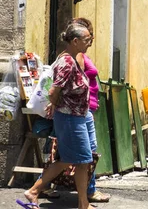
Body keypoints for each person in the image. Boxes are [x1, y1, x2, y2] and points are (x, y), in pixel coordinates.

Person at [22, 23, 94, 209]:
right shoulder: (67, 62)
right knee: (81, 160)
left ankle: (35, 192)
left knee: (74, 159)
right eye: (87, 40)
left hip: (75, 116)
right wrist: (54, 105)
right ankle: (81, 204)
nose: (89, 43)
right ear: (75, 41)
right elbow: (54, 90)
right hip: (70, 117)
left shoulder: (71, 59)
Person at [69, 18, 110, 204]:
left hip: (86, 109)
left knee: (78, 154)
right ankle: (88, 192)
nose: (91, 38)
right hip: (81, 111)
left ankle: (41, 186)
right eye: (88, 35)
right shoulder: (78, 55)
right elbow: (78, 82)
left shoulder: (82, 54)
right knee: (88, 154)